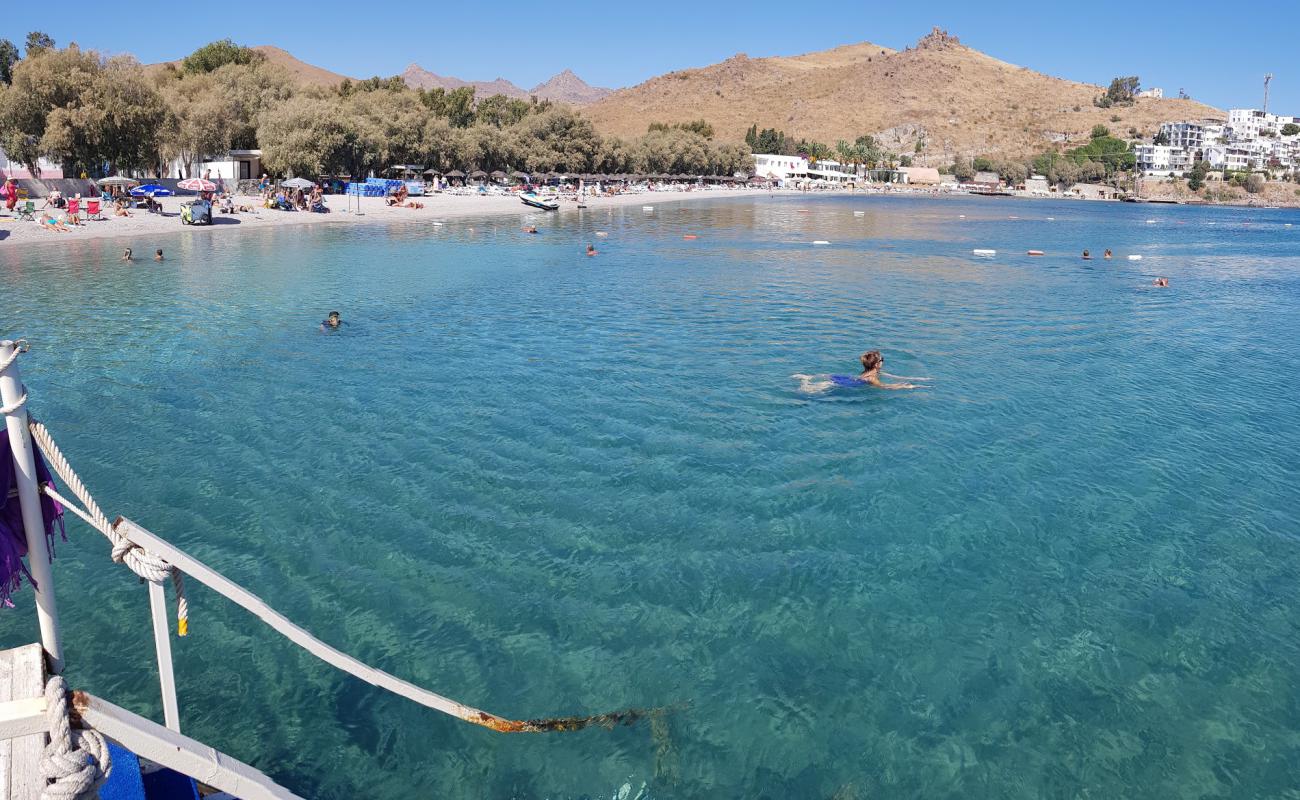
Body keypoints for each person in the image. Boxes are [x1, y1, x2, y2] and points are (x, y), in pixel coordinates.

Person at [794, 350, 928, 393]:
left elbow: (892, 376)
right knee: (818, 388)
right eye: (882, 360)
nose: (883, 362)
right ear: (877, 364)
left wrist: (919, 379)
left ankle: (807, 377)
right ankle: (806, 385)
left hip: (847, 378)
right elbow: (884, 387)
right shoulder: (872, 378)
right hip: (848, 384)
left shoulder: (871, 371)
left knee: (829, 378)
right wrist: (906, 386)